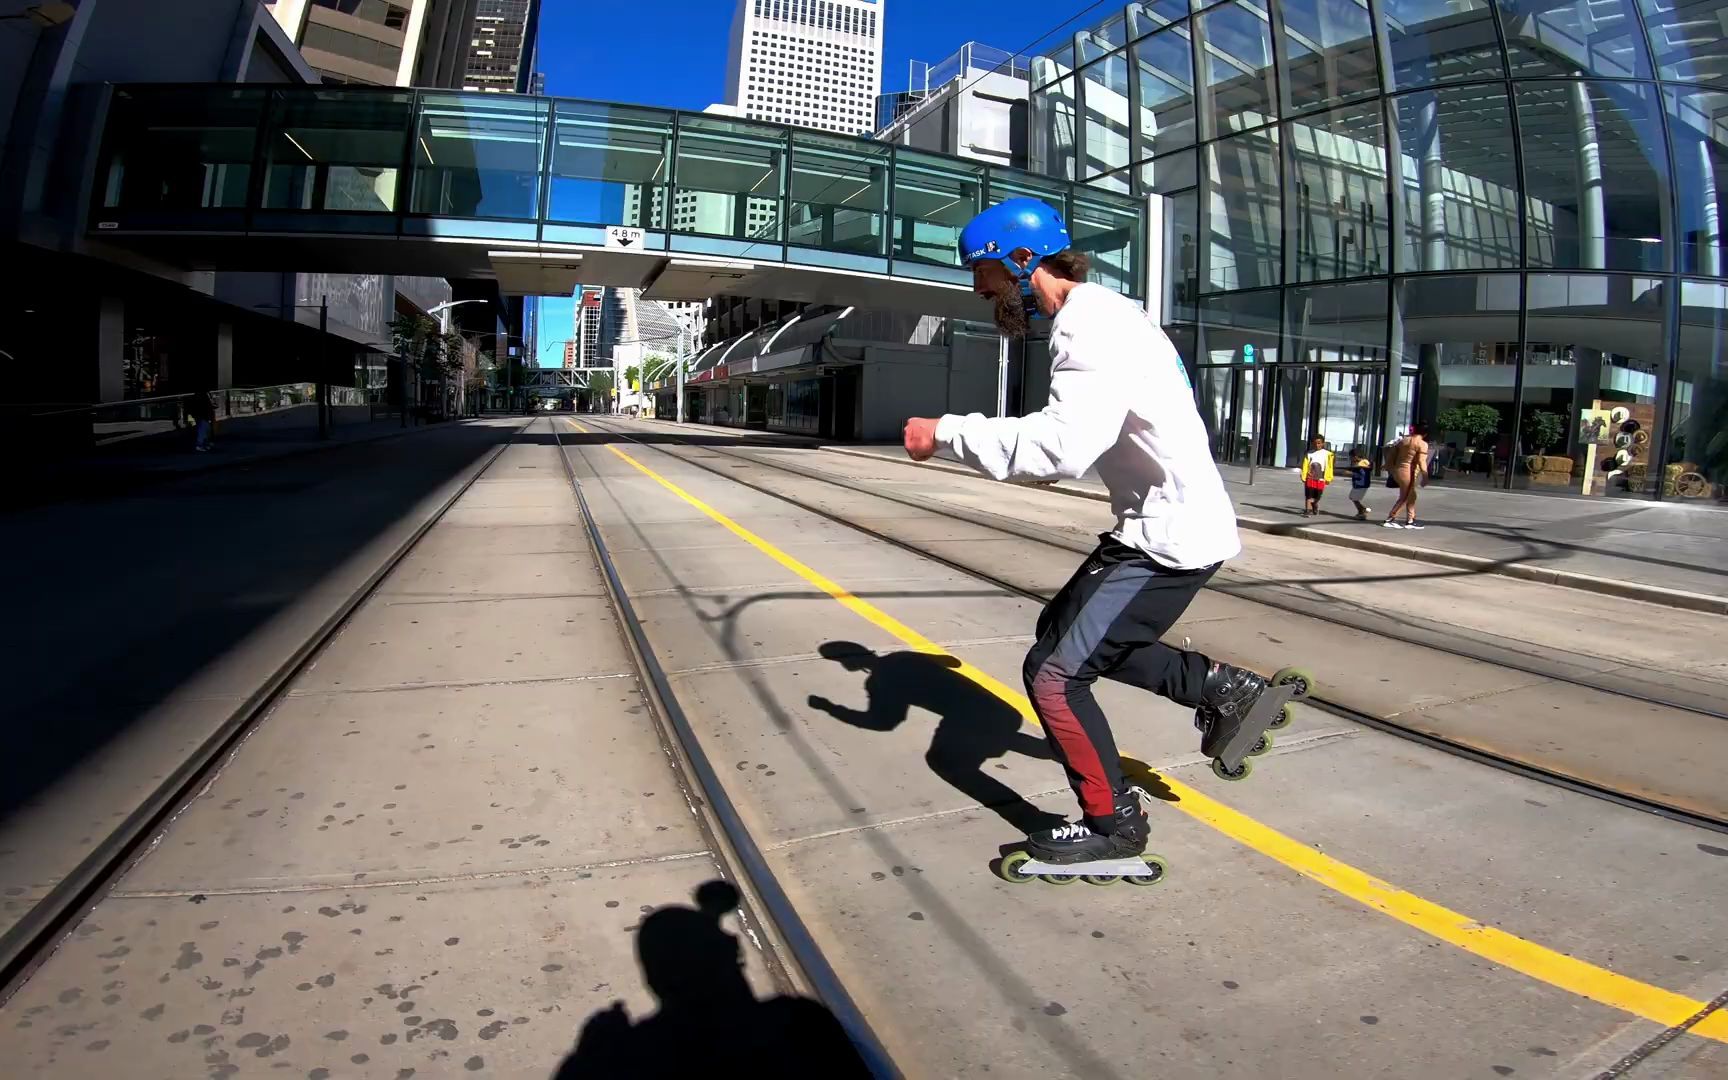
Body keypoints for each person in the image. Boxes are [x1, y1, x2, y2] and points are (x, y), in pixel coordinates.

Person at [901, 197, 1283, 868]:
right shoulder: (1107, 313)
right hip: (1159, 524)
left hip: (1168, 536)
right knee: (1062, 632)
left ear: (1021, 260)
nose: (978, 289)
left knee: (1053, 676)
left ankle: (1112, 825)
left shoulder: (1089, 324)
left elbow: (1061, 448)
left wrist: (947, 432)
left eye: (981, 272)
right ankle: (1221, 688)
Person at [1384, 423, 1430, 529]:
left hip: (1398, 470)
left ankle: (1410, 520)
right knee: (1405, 497)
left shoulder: (1403, 441)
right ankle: (1390, 519)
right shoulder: (1422, 444)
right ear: (1425, 434)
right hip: (1408, 471)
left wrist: (1388, 466)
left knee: (1411, 496)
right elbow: (1422, 461)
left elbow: (1391, 454)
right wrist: (1425, 476)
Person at [1300, 435, 1333, 517]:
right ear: (1312, 443)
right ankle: (1307, 510)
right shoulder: (1309, 453)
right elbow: (1305, 465)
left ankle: (1314, 504)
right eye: (1315, 443)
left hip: (1321, 477)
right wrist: (1303, 475)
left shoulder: (1328, 454)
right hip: (1310, 476)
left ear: (1323, 443)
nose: (1317, 445)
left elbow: (1330, 467)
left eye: (1319, 443)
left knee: (1318, 495)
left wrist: (1329, 478)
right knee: (1309, 495)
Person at [184, 386, 215, 453]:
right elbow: (207, 407)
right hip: (199, 416)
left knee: (202, 429)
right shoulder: (203, 397)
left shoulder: (197, 396)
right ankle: (200, 445)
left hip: (196, 416)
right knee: (202, 429)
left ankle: (203, 443)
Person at [1347, 446, 1374, 520]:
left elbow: (1361, 475)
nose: (1350, 459)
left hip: (1360, 484)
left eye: (1351, 457)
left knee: (1354, 498)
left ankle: (1362, 511)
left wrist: (1351, 473)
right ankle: (1362, 510)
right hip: (1361, 484)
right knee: (1353, 497)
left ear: (1355, 456)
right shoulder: (1363, 463)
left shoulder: (1362, 464)